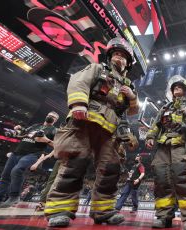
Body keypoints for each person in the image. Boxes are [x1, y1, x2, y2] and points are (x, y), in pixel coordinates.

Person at [44, 37, 139, 227]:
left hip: (110, 132)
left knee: (111, 170)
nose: (119, 58)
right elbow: (78, 82)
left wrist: (133, 98)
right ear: (110, 57)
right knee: (74, 164)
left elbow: (132, 112)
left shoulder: (128, 85)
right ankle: (59, 210)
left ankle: (103, 211)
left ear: (128, 63)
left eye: (123, 57)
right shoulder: (98, 69)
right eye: (117, 54)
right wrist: (79, 103)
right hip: (84, 123)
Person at [145, 75, 186, 230]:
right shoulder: (165, 108)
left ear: (185, 91)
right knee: (162, 180)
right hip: (163, 146)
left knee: (183, 178)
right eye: (174, 87)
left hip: (182, 145)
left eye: (180, 87)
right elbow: (156, 125)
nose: (177, 89)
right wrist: (150, 136)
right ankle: (163, 216)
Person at [0, 111, 59, 209]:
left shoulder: (54, 130)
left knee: (17, 170)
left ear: (56, 120)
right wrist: (18, 130)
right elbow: (23, 134)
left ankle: (14, 196)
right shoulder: (36, 125)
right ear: (46, 116)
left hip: (32, 154)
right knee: (5, 176)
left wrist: (46, 140)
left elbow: (59, 146)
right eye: (49, 115)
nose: (50, 117)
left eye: (53, 117)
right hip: (17, 152)